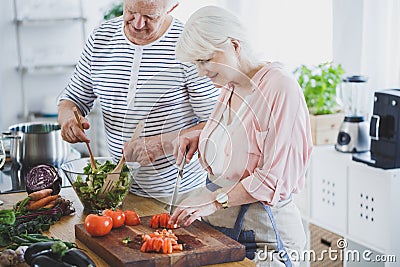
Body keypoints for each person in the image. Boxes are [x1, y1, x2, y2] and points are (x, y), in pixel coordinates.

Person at [169, 6, 313, 266]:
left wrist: (213, 200)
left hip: (266, 239)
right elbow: (243, 136)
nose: (201, 72)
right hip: (226, 232)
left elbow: (273, 180)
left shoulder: (281, 87)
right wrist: (202, 136)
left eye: (205, 60)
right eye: (196, 64)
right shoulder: (231, 85)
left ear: (234, 45)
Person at [57, 0, 219, 203]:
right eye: (131, 11)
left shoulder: (190, 46)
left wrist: (161, 145)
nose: (138, 24)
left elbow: (217, 125)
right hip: (118, 189)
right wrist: (68, 119)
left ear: (172, 7)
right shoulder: (101, 37)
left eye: (150, 17)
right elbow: (72, 99)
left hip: (179, 195)